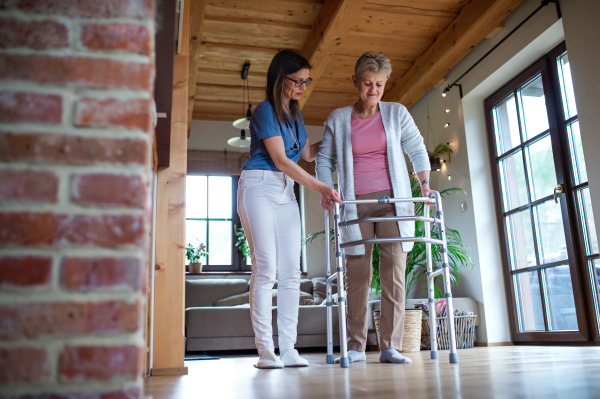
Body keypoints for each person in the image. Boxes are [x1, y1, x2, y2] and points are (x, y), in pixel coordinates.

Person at [316, 51, 436, 364]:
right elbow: (325, 159)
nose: (373, 90)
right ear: (355, 81)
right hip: (354, 204)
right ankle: (355, 346)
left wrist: (423, 183)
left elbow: (417, 149)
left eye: (379, 84)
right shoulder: (339, 119)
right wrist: (326, 188)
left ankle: (390, 347)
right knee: (357, 275)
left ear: (385, 84)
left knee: (394, 271)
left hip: (393, 203)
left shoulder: (397, 113)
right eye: (367, 83)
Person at [238, 49, 341, 369]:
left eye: (306, 81)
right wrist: (321, 187)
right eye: (297, 80)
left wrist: (337, 135)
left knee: (291, 272)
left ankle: (289, 349)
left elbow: (305, 154)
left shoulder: (296, 114)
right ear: (279, 77)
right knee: (266, 266)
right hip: (258, 186)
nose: (302, 86)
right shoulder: (265, 111)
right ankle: (265, 351)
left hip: (286, 192)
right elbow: (281, 160)